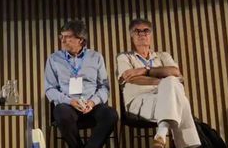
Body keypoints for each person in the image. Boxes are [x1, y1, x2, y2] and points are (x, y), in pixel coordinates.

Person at [117, 18, 201, 148]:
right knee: (180, 100)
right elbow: (131, 78)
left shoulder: (163, 56)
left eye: (146, 31)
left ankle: (160, 135)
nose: (142, 34)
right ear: (131, 36)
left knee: (173, 86)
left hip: (163, 100)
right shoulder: (125, 57)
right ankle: (192, 145)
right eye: (137, 31)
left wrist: (145, 70)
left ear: (151, 35)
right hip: (138, 102)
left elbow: (175, 71)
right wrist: (163, 81)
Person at [45, 20, 118, 148]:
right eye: (61, 36)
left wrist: (93, 102)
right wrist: (70, 101)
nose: (62, 40)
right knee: (61, 112)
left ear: (81, 39)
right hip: (68, 106)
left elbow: (104, 87)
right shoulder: (54, 59)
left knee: (111, 115)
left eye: (67, 37)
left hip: (92, 105)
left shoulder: (96, 57)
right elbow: (50, 89)